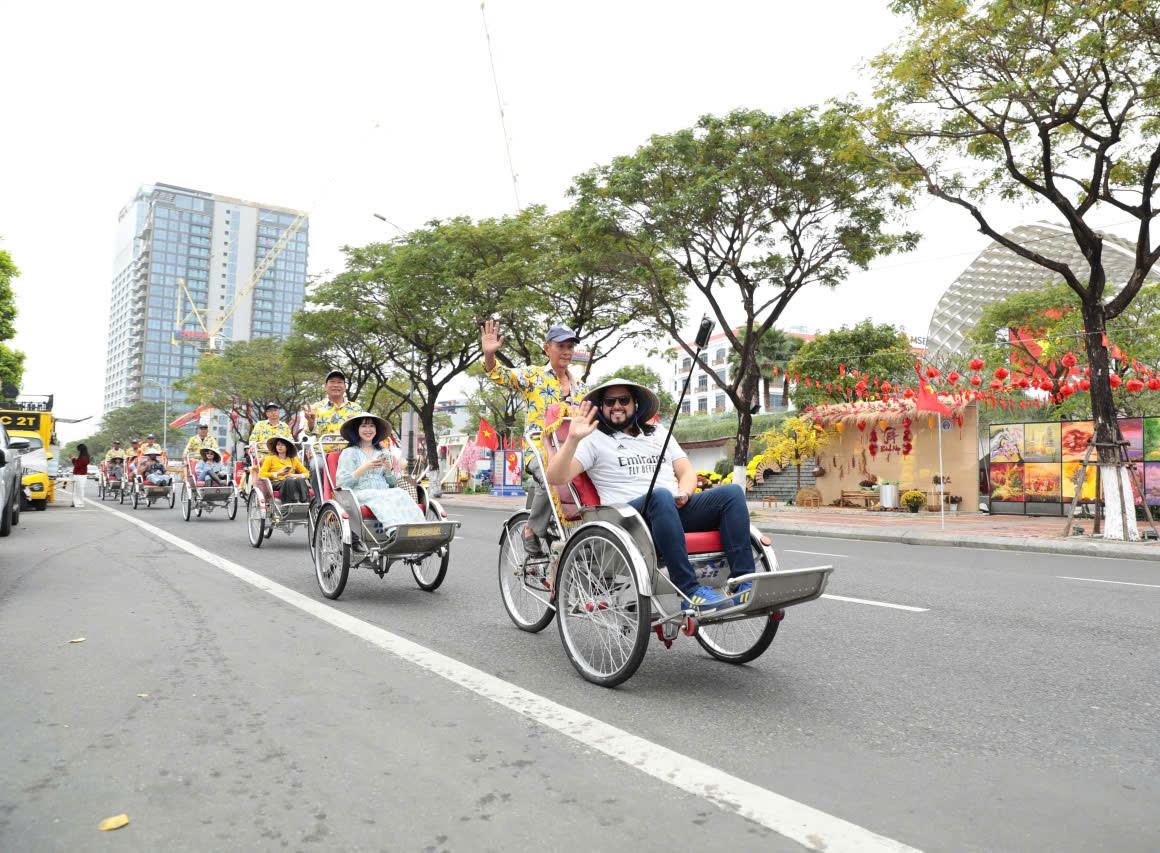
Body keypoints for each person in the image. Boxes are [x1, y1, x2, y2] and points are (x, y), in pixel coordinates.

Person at [545, 378, 756, 610]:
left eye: (623, 400)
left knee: (732, 494)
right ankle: (689, 591)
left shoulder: (658, 432)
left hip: (671, 509)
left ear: (636, 404)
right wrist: (573, 439)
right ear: (602, 407)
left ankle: (744, 583)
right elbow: (556, 478)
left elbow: (686, 471)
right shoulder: (593, 439)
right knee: (661, 495)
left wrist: (684, 492)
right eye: (609, 401)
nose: (616, 405)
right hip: (627, 519)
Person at [480, 319, 587, 556]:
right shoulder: (533, 376)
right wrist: (489, 355)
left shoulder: (581, 387)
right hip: (538, 449)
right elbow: (499, 374)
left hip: (571, 450)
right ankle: (531, 529)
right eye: (561, 346)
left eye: (570, 346)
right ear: (547, 348)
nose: (567, 352)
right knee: (552, 475)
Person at [335, 414, 423, 527]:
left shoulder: (383, 452)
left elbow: (393, 484)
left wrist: (388, 469)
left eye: (372, 426)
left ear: (376, 430)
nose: (368, 430)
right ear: (356, 430)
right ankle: (393, 529)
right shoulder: (350, 452)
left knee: (401, 493)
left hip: (384, 491)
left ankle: (418, 527)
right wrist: (363, 468)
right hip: (360, 493)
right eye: (364, 426)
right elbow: (342, 483)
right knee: (380, 497)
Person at [302, 370, 362, 441]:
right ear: (325, 386)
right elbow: (308, 433)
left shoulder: (356, 408)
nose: (336, 385)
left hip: (350, 451)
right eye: (332, 382)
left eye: (339, 382)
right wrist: (311, 423)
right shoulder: (315, 408)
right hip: (322, 451)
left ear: (345, 387)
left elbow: (362, 431)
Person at [258, 437, 311, 504]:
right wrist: (278, 473)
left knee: (299, 480)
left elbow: (307, 474)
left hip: (292, 481)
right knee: (289, 480)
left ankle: (306, 502)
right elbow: (261, 474)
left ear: (287, 447)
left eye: (282, 445)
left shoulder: (293, 460)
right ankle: (291, 503)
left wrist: (293, 475)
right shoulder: (270, 459)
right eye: (278, 444)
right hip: (276, 482)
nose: (280, 447)